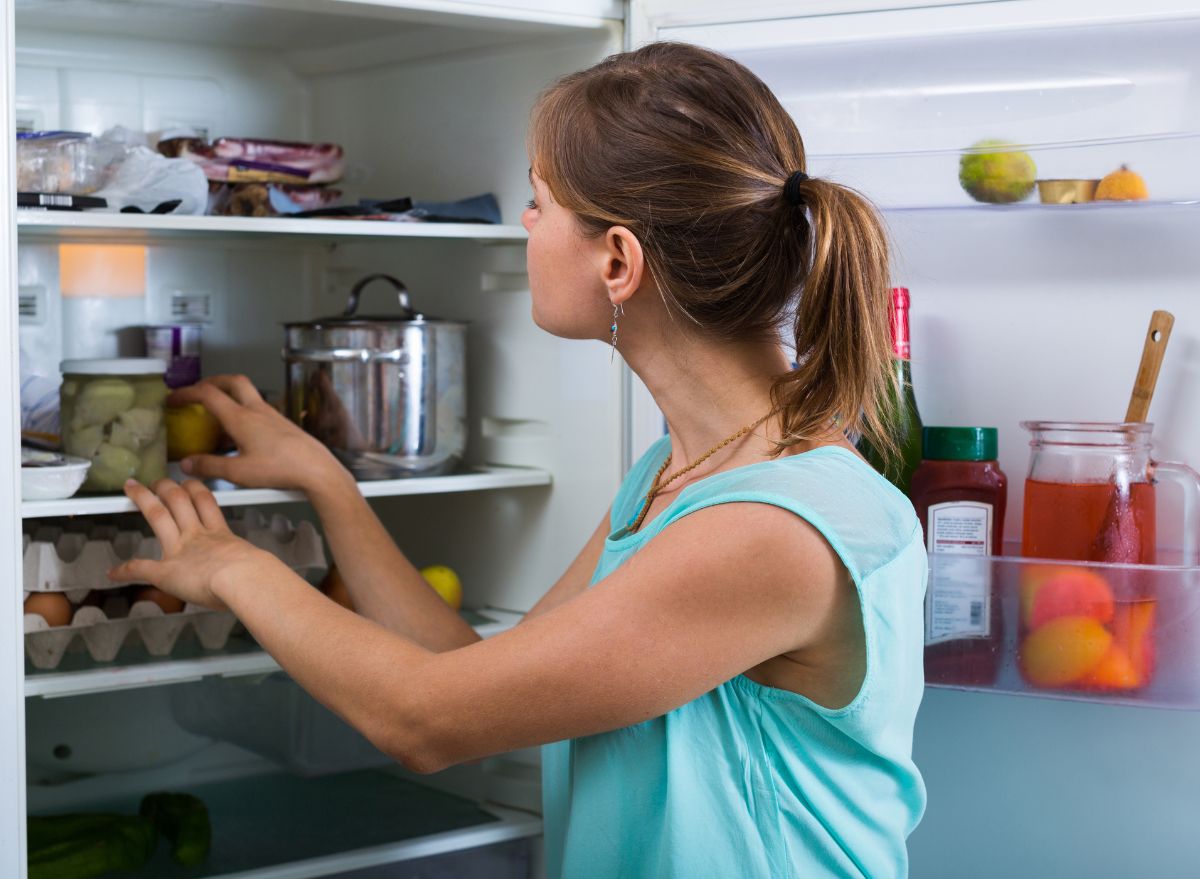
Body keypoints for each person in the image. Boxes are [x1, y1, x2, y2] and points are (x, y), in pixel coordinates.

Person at [111, 42, 927, 879]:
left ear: (617, 261)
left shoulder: (772, 530)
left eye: (539, 203)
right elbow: (469, 678)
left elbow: (423, 720)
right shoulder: (679, 472)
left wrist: (232, 568)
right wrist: (328, 480)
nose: (524, 226)